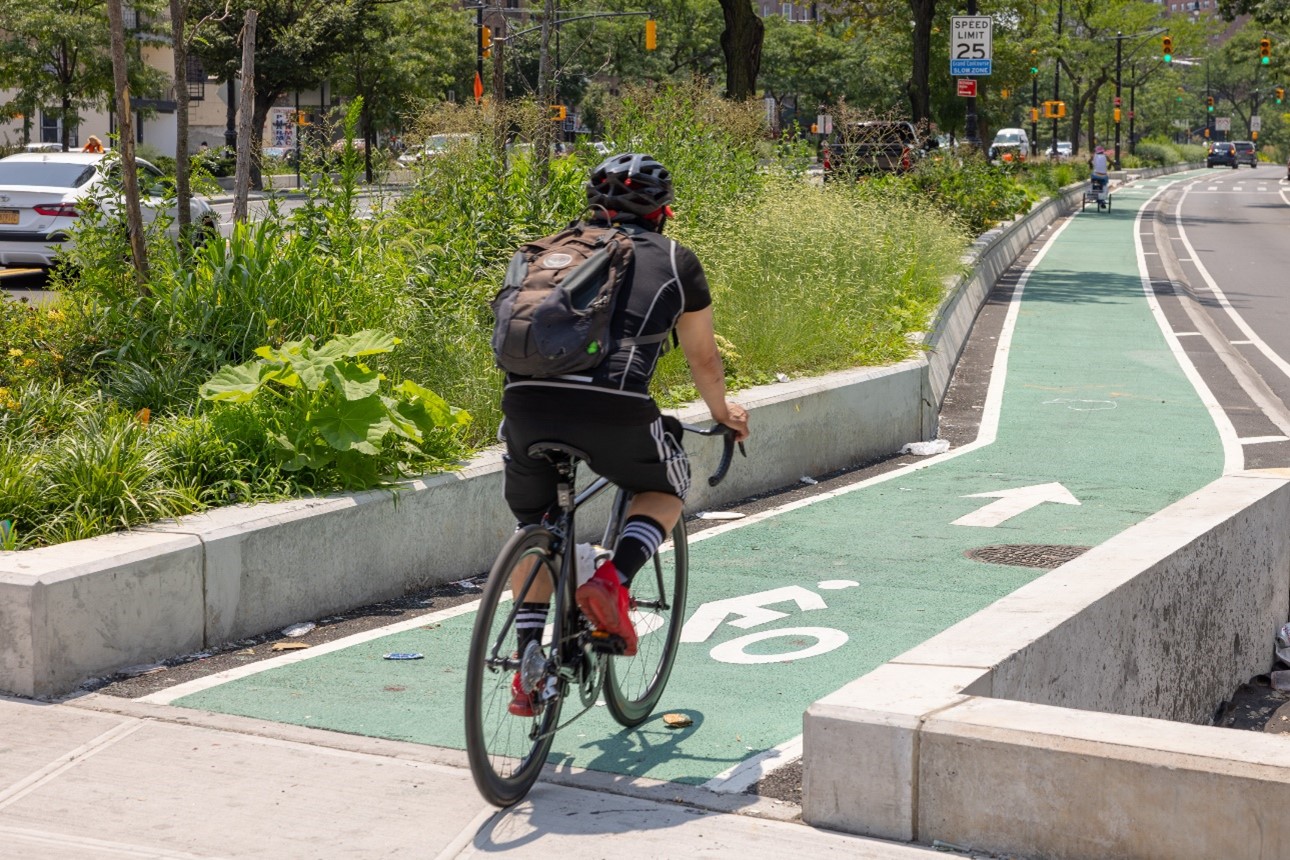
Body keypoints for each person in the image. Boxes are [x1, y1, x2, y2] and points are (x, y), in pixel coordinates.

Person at [500, 152, 751, 716]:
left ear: (593, 205)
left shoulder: (547, 251)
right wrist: (725, 411)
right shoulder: (675, 259)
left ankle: (527, 665)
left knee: (535, 525)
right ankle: (613, 579)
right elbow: (703, 356)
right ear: (663, 212)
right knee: (667, 486)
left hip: (524, 404)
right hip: (613, 408)